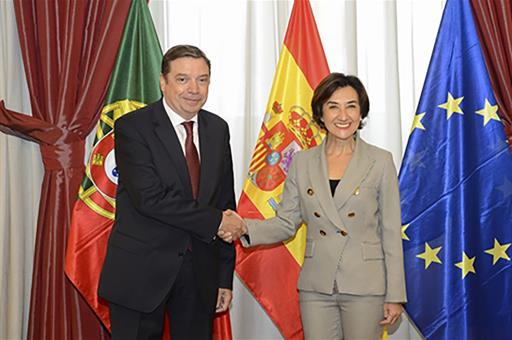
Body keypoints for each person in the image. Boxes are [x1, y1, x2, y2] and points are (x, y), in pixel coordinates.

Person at [222, 73, 407, 340]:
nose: (343, 115)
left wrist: (396, 295)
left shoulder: (380, 161)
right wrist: (242, 226)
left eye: (351, 106)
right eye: (333, 106)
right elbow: (286, 222)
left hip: (366, 285)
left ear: (361, 112)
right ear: (320, 112)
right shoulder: (302, 162)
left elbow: (391, 232)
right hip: (316, 286)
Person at [98, 45, 243, 340]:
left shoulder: (217, 128)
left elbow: (225, 202)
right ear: (163, 82)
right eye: (182, 79)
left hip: (199, 274)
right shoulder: (132, 127)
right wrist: (217, 221)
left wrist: (222, 277)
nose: (194, 89)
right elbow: (150, 199)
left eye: (202, 79)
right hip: (141, 270)